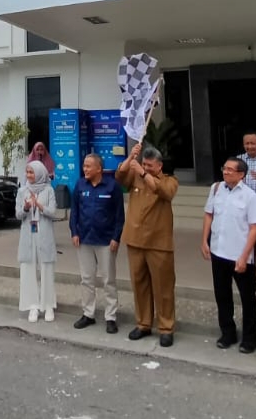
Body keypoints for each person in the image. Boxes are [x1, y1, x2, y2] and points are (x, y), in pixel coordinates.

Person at [117, 143, 179, 347]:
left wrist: (144, 173)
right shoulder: (134, 176)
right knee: (139, 284)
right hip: (135, 239)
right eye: (144, 164)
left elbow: (164, 192)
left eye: (150, 165)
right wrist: (130, 158)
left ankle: (166, 327)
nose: (145, 167)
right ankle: (143, 323)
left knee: (163, 287)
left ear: (159, 166)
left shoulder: (170, 180)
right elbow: (120, 176)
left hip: (158, 242)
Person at [201, 158, 256, 353]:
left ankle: (249, 338)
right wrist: (204, 240)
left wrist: (245, 256)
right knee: (222, 295)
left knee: (247, 298)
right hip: (218, 251)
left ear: (241, 174)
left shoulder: (250, 196)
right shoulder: (216, 189)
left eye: (230, 170)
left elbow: (254, 228)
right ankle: (227, 332)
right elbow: (209, 214)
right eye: (224, 168)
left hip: (239, 254)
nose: (226, 172)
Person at [69, 153, 125, 334]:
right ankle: (88, 314)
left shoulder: (112, 186)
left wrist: (116, 237)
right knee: (87, 279)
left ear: (99, 168)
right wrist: (74, 232)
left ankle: (111, 317)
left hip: (106, 241)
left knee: (109, 280)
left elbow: (119, 215)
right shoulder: (80, 185)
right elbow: (74, 211)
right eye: (84, 165)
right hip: (84, 239)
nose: (84, 169)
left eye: (88, 166)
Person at [16, 160, 60, 323]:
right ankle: (32, 305)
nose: (29, 175)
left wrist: (39, 206)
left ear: (40, 174)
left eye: (32, 172)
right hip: (29, 234)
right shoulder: (22, 191)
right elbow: (18, 215)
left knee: (46, 268)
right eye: (27, 172)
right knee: (28, 269)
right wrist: (26, 208)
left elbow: (53, 212)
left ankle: (48, 305)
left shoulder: (48, 190)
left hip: (44, 234)